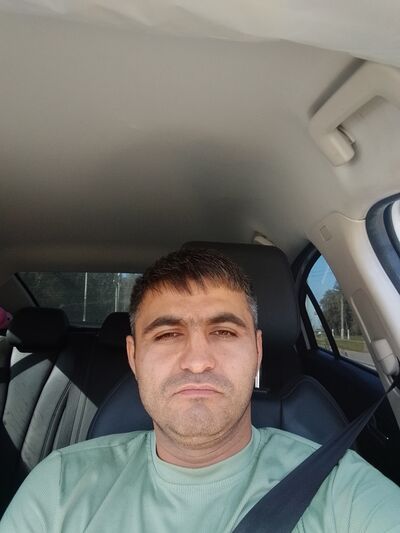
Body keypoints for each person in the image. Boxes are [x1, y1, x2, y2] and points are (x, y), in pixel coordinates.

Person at [1, 248, 400, 532]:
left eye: (224, 332)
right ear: (133, 356)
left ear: (257, 351)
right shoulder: (58, 486)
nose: (197, 361)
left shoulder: (340, 488)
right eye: (167, 334)